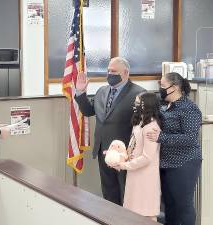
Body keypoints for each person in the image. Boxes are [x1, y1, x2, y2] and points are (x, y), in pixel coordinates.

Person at [75, 57, 145, 205]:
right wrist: (81, 93)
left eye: (113, 71)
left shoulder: (139, 93)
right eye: (108, 70)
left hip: (125, 153)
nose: (109, 74)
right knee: (108, 191)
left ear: (125, 73)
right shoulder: (102, 91)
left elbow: (143, 124)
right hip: (103, 150)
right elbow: (88, 111)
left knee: (126, 192)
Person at [147, 72, 202, 225]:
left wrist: (161, 137)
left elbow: (190, 139)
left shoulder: (189, 108)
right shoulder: (164, 104)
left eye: (163, 86)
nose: (160, 89)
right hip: (165, 163)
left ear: (175, 87)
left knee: (183, 206)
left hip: (184, 164)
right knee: (168, 206)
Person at [113, 92, 161, 221]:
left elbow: (147, 157)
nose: (135, 106)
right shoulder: (139, 123)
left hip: (145, 176)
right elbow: (132, 146)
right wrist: (119, 157)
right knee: (133, 212)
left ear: (148, 105)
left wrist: (124, 165)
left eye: (139, 103)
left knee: (147, 212)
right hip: (134, 172)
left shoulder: (151, 127)